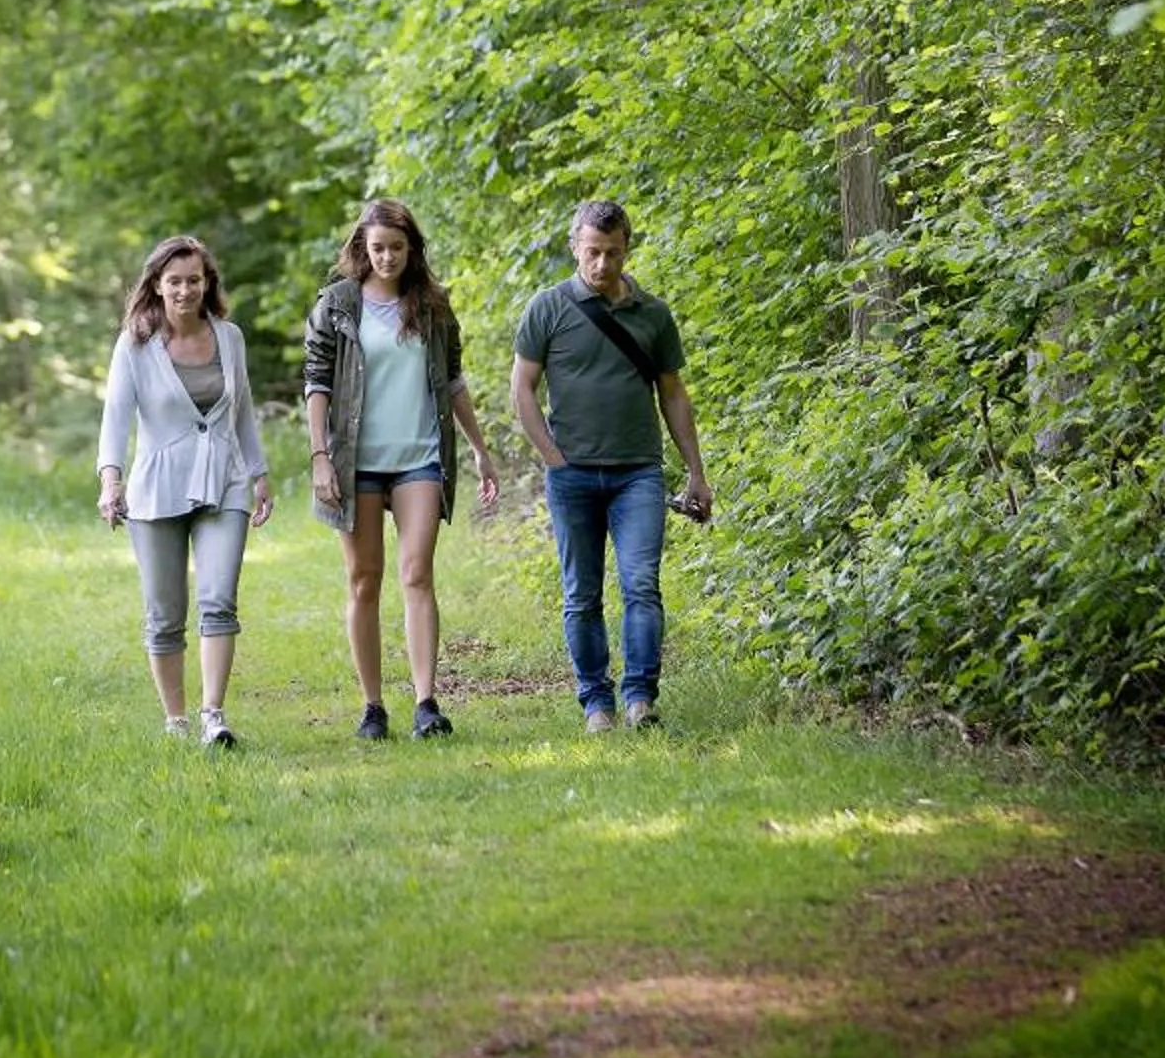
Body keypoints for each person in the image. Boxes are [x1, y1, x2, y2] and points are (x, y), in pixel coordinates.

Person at [301, 200, 501, 742]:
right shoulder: (338, 306)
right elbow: (317, 383)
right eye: (377, 247)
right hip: (356, 462)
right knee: (364, 580)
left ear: (411, 249)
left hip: (419, 457)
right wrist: (321, 456)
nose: (387, 257)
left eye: (396, 247)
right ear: (362, 249)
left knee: (417, 573)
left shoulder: (433, 306)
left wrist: (479, 448)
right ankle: (372, 707)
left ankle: (426, 702)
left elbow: (453, 381)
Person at [510, 200, 711, 733]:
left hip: (638, 472)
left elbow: (673, 395)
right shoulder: (547, 308)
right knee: (582, 593)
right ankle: (596, 704)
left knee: (642, 583)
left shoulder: (653, 314)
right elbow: (522, 390)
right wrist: (552, 455)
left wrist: (695, 471)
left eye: (613, 253)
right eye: (593, 253)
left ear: (627, 250)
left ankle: (641, 699)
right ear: (575, 246)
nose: (602, 265)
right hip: (571, 474)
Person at [98, 233, 274, 748]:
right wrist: (111, 479)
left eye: (193, 280)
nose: (184, 290)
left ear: (207, 282)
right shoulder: (135, 344)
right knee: (164, 612)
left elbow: (242, 412)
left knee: (219, 599)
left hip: (225, 482)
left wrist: (259, 474)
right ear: (156, 284)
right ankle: (175, 720)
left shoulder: (231, 338)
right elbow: (115, 418)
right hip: (157, 489)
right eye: (173, 281)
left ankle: (212, 715)